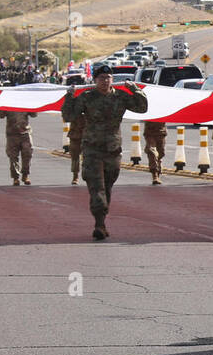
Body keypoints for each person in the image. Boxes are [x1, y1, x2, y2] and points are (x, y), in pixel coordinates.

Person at [60, 65, 148, 240]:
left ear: (112, 79)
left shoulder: (121, 96)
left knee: (107, 186)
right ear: (95, 80)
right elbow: (68, 115)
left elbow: (142, 107)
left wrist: (135, 89)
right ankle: (99, 224)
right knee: (96, 187)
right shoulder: (87, 97)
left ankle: (102, 219)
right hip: (92, 148)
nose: (105, 81)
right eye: (101, 78)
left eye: (108, 77)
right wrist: (69, 96)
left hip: (112, 149)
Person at [0, 108, 37, 185]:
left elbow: (34, 114)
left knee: (28, 153)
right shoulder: (7, 102)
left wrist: (32, 105)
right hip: (12, 134)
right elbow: (1, 115)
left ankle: (25, 175)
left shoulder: (25, 102)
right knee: (13, 157)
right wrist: (3, 106)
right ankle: (15, 178)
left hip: (25, 133)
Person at [144, 119, 168, 185]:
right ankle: (155, 175)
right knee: (152, 151)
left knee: (161, 153)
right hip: (150, 132)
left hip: (161, 132)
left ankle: (158, 172)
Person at [68, 112, 86, 185]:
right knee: (75, 157)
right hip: (75, 135)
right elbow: (67, 117)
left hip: (88, 135)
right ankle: (75, 176)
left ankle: (88, 176)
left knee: (89, 157)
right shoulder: (74, 104)